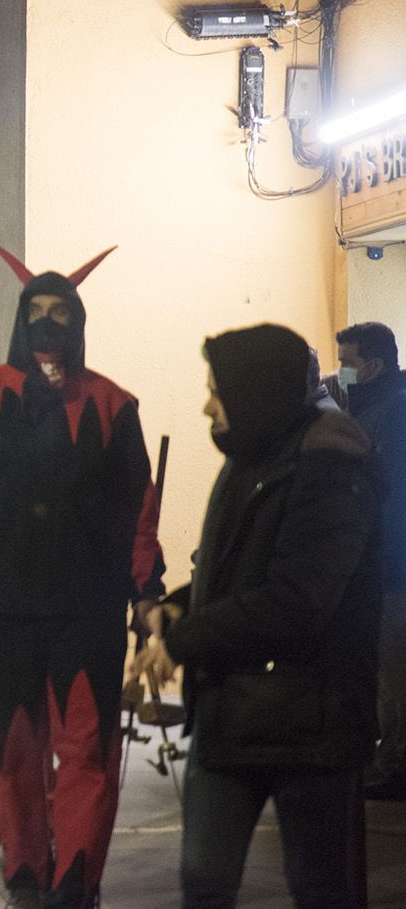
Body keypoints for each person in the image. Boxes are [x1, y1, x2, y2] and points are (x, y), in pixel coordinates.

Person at [0, 243, 163, 909]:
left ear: (78, 320)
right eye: (39, 308)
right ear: (21, 317)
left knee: (87, 751)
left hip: (87, 610)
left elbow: (139, 509)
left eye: (62, 310)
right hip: (2, 607)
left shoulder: (116, 407)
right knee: (16, 752)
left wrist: (147, 592)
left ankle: (76, 882)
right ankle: (27, 874)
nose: (50, 321)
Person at [135, 324, 379, 908]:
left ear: (255, 390)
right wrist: (179, 606)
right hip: (232, 716)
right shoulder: (252, 454)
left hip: (311, 727)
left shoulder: (330, 459)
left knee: (323, 891)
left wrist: (188, 640)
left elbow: (298, 598)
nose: (206, 404)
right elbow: (237, 567)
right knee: (205, 885)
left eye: (217, 390)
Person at [335, 320, 406, 800]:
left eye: (347, 364)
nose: (340, 374)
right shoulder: (371, 410)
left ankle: (394, 767)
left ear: (374, 365)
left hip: (392, 570)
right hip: (381, 567)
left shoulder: (394, 415)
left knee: (395, 676)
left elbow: (389, 498)